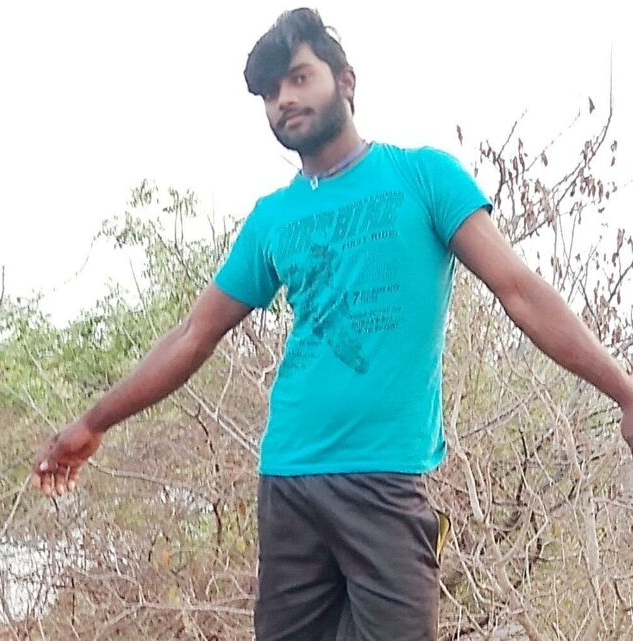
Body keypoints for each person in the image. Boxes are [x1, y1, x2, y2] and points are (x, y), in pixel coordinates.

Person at [31, 8, 633, 641]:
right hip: (289, 482)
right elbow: (192, 335)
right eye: (271, 93)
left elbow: (521, 291)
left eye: (298, 78)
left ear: (345, 81)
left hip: (383, 483)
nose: (285, 100)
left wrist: (623, 391)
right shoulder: (273, 218)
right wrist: (92, 422)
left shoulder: (422, 177)